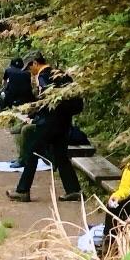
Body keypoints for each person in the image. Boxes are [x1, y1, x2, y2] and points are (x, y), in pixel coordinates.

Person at [7, 65, 84, 203]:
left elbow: (46, 102)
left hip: (49, 124)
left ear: (35, 64)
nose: (30, 72)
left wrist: (36, 115)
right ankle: (73, 190)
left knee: (32, 153)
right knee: (61, 156)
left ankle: (23, 191)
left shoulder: (43, 77)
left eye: (30, 68)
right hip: (64, 122)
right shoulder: (59, 74)